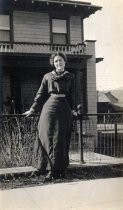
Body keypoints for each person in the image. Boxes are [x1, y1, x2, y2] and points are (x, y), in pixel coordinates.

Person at [23, 52, 76, 181]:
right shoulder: (47, 77)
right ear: (53, 63)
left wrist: (74, 110)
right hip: (49, 109)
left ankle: (58, 170)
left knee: (60, 139)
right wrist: (32, 109)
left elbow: (74, 95)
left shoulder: (71, 77)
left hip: (64, 110)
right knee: (45, 136)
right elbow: (40, 94)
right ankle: (43, 168)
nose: (59, 63)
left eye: (61, 60)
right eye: (56, 61)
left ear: (65, 62)